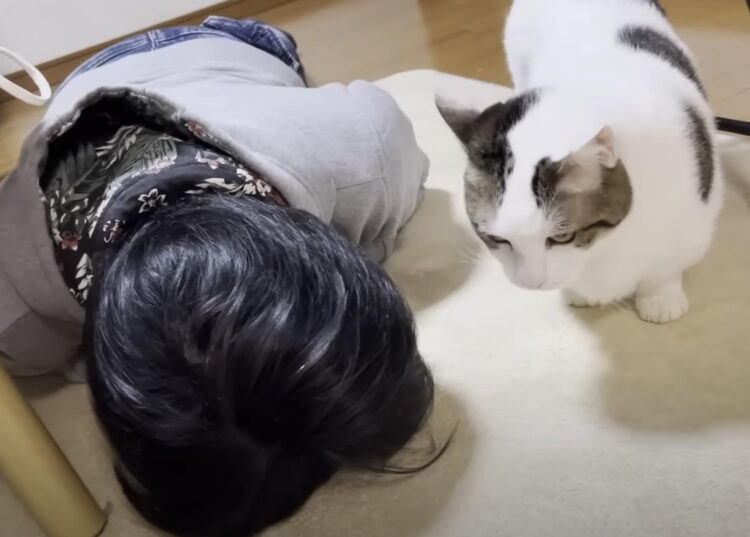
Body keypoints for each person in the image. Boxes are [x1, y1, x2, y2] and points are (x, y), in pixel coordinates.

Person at [0, 17, 434, 537]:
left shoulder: (359, 156)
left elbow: (386, 124)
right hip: (107, 81)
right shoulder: (15, 309)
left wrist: (364, 247)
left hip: (230, 49)